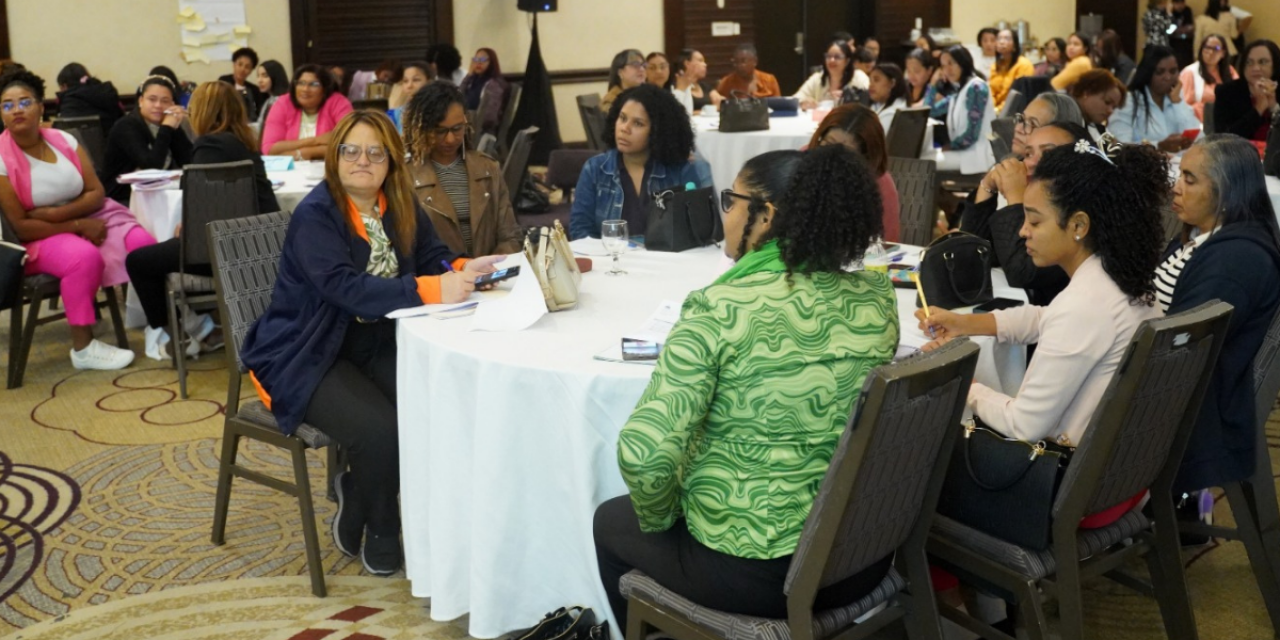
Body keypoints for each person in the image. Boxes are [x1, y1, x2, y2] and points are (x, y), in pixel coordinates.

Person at [594, 145, 899, 630]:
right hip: (862, 556)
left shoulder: (721, 308)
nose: (727, 214)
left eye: (731, 201)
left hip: (762, 572)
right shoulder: (876, 302)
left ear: (767, 215)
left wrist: (665, 517)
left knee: (611, 521)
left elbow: (645, 455)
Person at [240, 110, 504, 576]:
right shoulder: (316, 215)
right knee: (381, 430)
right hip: (307, 348)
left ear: (390, 163)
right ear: (335, 156)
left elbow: (432, 257)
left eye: (375, 152)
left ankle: (355, 492)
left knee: (431, 408)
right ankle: (383, 526)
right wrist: (430, 289)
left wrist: (463, 268)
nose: (363, 160)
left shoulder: (398, 203)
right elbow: (344, 288)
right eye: (351, 150)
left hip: (373, 338)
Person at [920, 141, 1167, 456]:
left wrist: (961, 380)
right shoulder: (1116, 277)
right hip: (1117, 471)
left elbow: (1024, 425)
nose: (1023, 232)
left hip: (1060, 482)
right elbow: (1045, 318)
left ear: (1078, 225)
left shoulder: (1086, 305)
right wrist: (965, 323)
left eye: (1034, 221)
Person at [0, 69, 156, 370]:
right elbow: (20, 225)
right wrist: (77, 225)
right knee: (82, 257)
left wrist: (59, 213)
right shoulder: (0, 158)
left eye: (25, 102)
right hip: (33, 240)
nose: (17, 110)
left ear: (41, 107)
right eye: (7, 105)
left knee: (143, 244)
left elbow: (96, 191)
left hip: (88, 215)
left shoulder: (63, 139)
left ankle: (158, 321)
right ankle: (83, 348)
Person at [1159, 134, 1280, 497]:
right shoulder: (1208, 238)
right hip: (1176, 389)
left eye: (1189, 179)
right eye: (1178, 176)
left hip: (1189, 410)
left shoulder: (1234, 261)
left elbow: (1178, 349)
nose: (1175, 189)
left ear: (1227, 190)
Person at [124, 81, 280, 361]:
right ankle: (202, 328)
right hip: (262, 243)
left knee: (139, 261)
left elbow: (204, 203)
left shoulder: (211, 144)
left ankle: (179, 336)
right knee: (171, 247)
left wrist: (188, 225)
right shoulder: (243, 141)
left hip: (225, 250)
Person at [959, 118, 1089, 307]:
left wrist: (1015, 198)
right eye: (1028, 154)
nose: (1031, 163)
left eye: (1048, 153)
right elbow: (975, 253)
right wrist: (986, 186)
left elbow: (1022, 273)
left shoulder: (1080, 214)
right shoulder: (1036, 199)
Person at [569, 84, 712, 240]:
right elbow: (580, 230)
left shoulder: (680, 170)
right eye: (622, 118)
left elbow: (697, 231)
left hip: (665, 261)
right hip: (611, 260)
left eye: (638, 123)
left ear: (658, 130)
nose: (625, 128)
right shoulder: (595, 169)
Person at [401, 82, 522, 257]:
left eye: (457, 128)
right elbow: (408, 249)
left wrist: (492, 268)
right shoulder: (406, 176)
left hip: (491, 275)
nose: (450, 139)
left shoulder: (487, 168)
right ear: (421, 129)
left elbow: (510, 236)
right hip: (440, 278)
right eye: (440, 131)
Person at [809, 105, 899, 242]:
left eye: (846, 153)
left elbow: (887, 243)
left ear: (866, 157)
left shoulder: (880, 183)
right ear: (819, 138)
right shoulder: (803, 162)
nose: (834, 156)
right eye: (828, 144)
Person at [99, 75, 193, 205]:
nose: (158, 105)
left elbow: (189, 161)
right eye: (152, 99)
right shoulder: (126, 126)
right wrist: (166, 128)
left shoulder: (168, 122)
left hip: (159, 195)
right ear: (141, 101)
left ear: (172, 104)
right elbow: (151, 167)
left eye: (165, 101)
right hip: (123, 199)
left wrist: (174, 127)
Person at [1109, 45, 1200, 151]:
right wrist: (1159, 146)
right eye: (1160, 72)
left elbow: (1198, 140)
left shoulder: (1176, 99)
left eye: (1173, 71)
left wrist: (1178, 103)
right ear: (1148, 73)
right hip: (1144, 166)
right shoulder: (1129, 101)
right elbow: (1119, 146)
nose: (1167, 77)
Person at [924, 46, 996, 174]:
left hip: (976, 155)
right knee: (923, 158)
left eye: (951, 63)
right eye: (943, 66)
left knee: (923, 162)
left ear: (963, 62)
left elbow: (971, 135)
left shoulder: (977, 88)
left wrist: (950, 147)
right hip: (964, 152)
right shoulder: (959, 91)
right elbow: (929, 112)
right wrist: (933, 86)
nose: (947, 70)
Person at [261, 64, 354, 159]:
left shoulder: (338, 103)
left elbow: (350, 143)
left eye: (314, 84)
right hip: (289, 171)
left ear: (325, 88)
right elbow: (269, 149)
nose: (305, 89)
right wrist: (315, 141)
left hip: (328, 168)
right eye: (301, 83)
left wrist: (305, 153)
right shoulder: (282, 104)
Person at [1213, 39, 1280, 142]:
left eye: (1262, 62)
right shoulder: (1226, 92)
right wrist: (1258, 109)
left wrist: (1274, 108)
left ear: (1275, 64)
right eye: (1249, 62)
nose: (1255, 68)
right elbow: (1223, 139)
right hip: (1239, 156)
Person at [1181, 35, 1239, 122]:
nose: (1211, 52)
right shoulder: (1190, 72)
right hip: (1199, 122)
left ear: (1223, 53)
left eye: (1216, 48)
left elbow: (1238, 96)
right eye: (1207, 48)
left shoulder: (1229, 70)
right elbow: (1183, 106)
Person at [54, 63, 124, 133]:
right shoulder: (108, 93)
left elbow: (62, 131)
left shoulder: (69, 101)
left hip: (77, 143)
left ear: (64, 86)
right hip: (112, 141)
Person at [458, 48, 509, 137]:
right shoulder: (472, 81)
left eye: (483, 60)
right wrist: (469, 75)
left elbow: (489, 118)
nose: (479, 63)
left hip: (482, 132)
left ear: (491, 63)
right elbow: (457, 97)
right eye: (476, 59)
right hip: (467, 127)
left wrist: (466, 121)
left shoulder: (494, 85)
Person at [793, 41, 858, 110]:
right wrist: (803, 102)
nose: (832, 60)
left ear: (847, 61)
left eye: (837, 57)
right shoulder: (817, 78)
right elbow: (795, 99)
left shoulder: (858, 78)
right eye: (828, 56)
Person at [1070, 69, 1128, 141]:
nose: (1110, 111)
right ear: (1087, 92)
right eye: (1107, 102)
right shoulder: (1060, 119)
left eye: (1114, 107)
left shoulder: (1099, 130)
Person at [988, 28, 1034, 112]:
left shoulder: (1023, 64)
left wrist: (998, 110)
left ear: (1015, 46)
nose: (1001, 42)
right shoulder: (995, 65)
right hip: (994, 110)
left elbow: (1019, 95)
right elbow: (991, 91)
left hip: (1015, 111)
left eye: (1007, 38)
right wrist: (991, 108)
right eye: (999, 38)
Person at [716, 44, 782, 99]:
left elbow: (778, 106)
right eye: (736, 62)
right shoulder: (726, 83)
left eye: (743, 61)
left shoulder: (769, 80)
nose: (739, 66)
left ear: (755, 61)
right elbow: (719, 108)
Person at [218, 47, 266, 121]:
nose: (242, 69)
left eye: (247, 67)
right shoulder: (224, 82)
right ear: (234, 65)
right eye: (240, 64)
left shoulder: (254, 90)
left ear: (251, 71)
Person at [669, 49, 723, 114]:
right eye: (700, 61)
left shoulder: (704, 86)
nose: (705, 65)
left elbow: (721, 102)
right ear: (687, 63)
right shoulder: (674, 86)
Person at [387, 61, 431, 133]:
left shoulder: (439, 111)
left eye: (416, 80)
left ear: (429, 83)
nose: (409, 85)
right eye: (405, 81)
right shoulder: (395, 114)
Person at [867, 63, 909, 133]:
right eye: (870, 81)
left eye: (876, 80)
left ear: (892, 83)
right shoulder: (876, 105)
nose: (871, 85)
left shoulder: (892, 113)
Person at [254, 60, 290, 131]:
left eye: (265, 76)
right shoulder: (269, 101)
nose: (259, 80)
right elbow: (260, 126)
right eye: (258, 76)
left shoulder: (284, 100)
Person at [1170, 0, 1197, 68]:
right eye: (1177, 3)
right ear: (1173, 3)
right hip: (1174, 42)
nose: (1180, 6)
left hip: (1187, 42)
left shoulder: (1187, 10)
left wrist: (1178, 29)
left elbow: (1190, 27)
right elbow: (1169, 30)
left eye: (1182, 3)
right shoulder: (1170, 12)